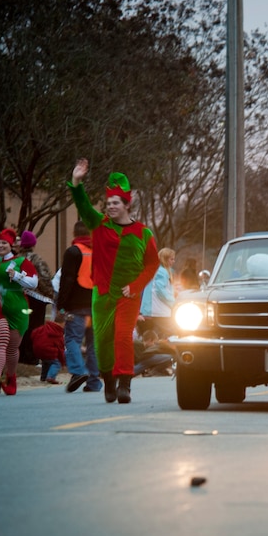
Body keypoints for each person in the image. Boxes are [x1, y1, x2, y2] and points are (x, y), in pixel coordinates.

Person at [68, 158, 160, 404]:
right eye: (108, 203)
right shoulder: (98, 225)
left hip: (128, 294)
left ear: (126, 205)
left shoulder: (143, 233)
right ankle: (108, 380)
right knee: (103, 340)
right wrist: (76, 180)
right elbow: (84, 205)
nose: (110, 207)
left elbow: (153, 263)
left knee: (122, 336)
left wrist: (136, 286)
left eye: (115, 202)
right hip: (102, 293)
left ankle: (125, 385)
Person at [0, 228, 38, 395]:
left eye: (4, 243)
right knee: (0, 340)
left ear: (11, 245)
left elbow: (34, 283)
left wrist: (17, 276)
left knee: (11, 348)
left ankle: (11, 377)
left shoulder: (21, 262)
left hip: (17, 309)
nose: (0, 246)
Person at [57, 221, 102, 393]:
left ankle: (77, 372)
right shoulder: (97, 252)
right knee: (93, 344)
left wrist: (61, 304)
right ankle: (94, 381)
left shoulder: (73, 252)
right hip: (95, 305)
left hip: (76, 306)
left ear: (75, 233)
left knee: (72, 339)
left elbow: (67, 279)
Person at [17, 229, 56, 365]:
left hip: (21, 297)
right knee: (36, 328)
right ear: (33, 244)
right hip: (37, 298)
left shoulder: (17, 259)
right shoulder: (37, 259)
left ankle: (22, 355)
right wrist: (50, 293)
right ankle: (32, 356)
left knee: (24, 326)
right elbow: (44, 278)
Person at [138, 247, 176, 339]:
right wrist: (173, 302)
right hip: (159, 310)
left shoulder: (156, 270)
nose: (173, 261)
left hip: (153, 310)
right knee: (169, 334)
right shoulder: (162, 272)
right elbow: (160, 290)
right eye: (172, 259)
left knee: (152, 335)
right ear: (165, 259)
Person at [30, 312, 66, 384]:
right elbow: (60, 349)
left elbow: (34, 333)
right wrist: (62, 362)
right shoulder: (58, 332)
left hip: (38, 349)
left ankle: (43, 378)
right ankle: (51, 377)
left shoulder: (45, 327)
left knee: (46, 362)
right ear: (63, 323)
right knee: (56, 363)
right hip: (49, 350)